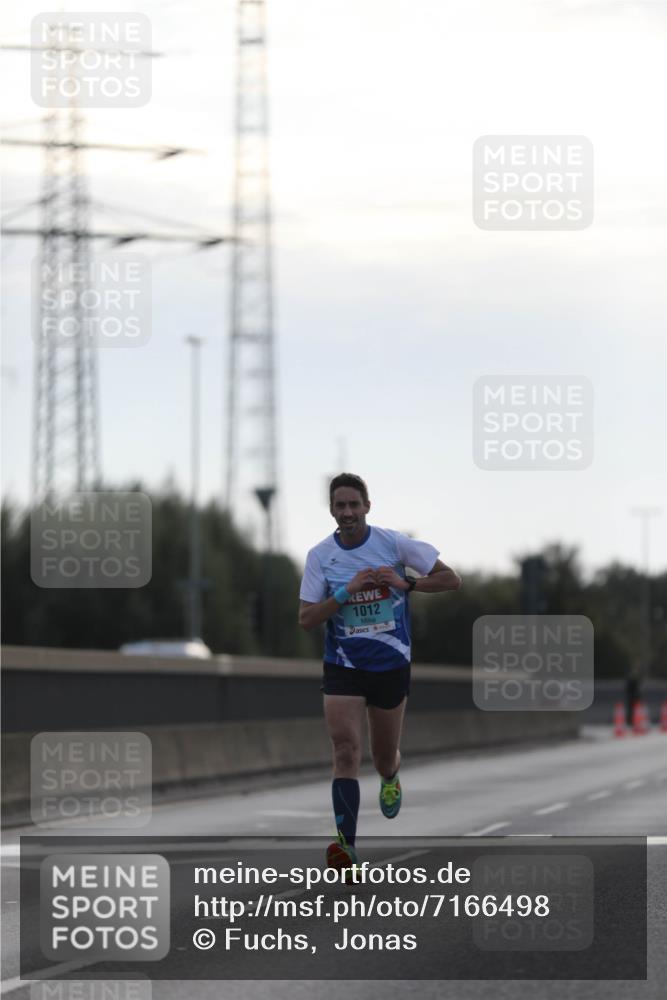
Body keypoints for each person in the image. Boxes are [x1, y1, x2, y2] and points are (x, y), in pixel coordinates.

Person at [298, 472, 461, 875]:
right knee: (344, 750)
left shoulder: (393, 543)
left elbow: (451, 579)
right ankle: (346, 848)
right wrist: (345, 592)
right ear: (332, 510)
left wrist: (407, 583)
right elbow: (306, 619)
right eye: (340, 506)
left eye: (354, 504)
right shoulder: (320, 556)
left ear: (367, 506)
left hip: (390, 665)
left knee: (382, 757)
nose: (348, 512)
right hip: (344, 666)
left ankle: (390, 776)